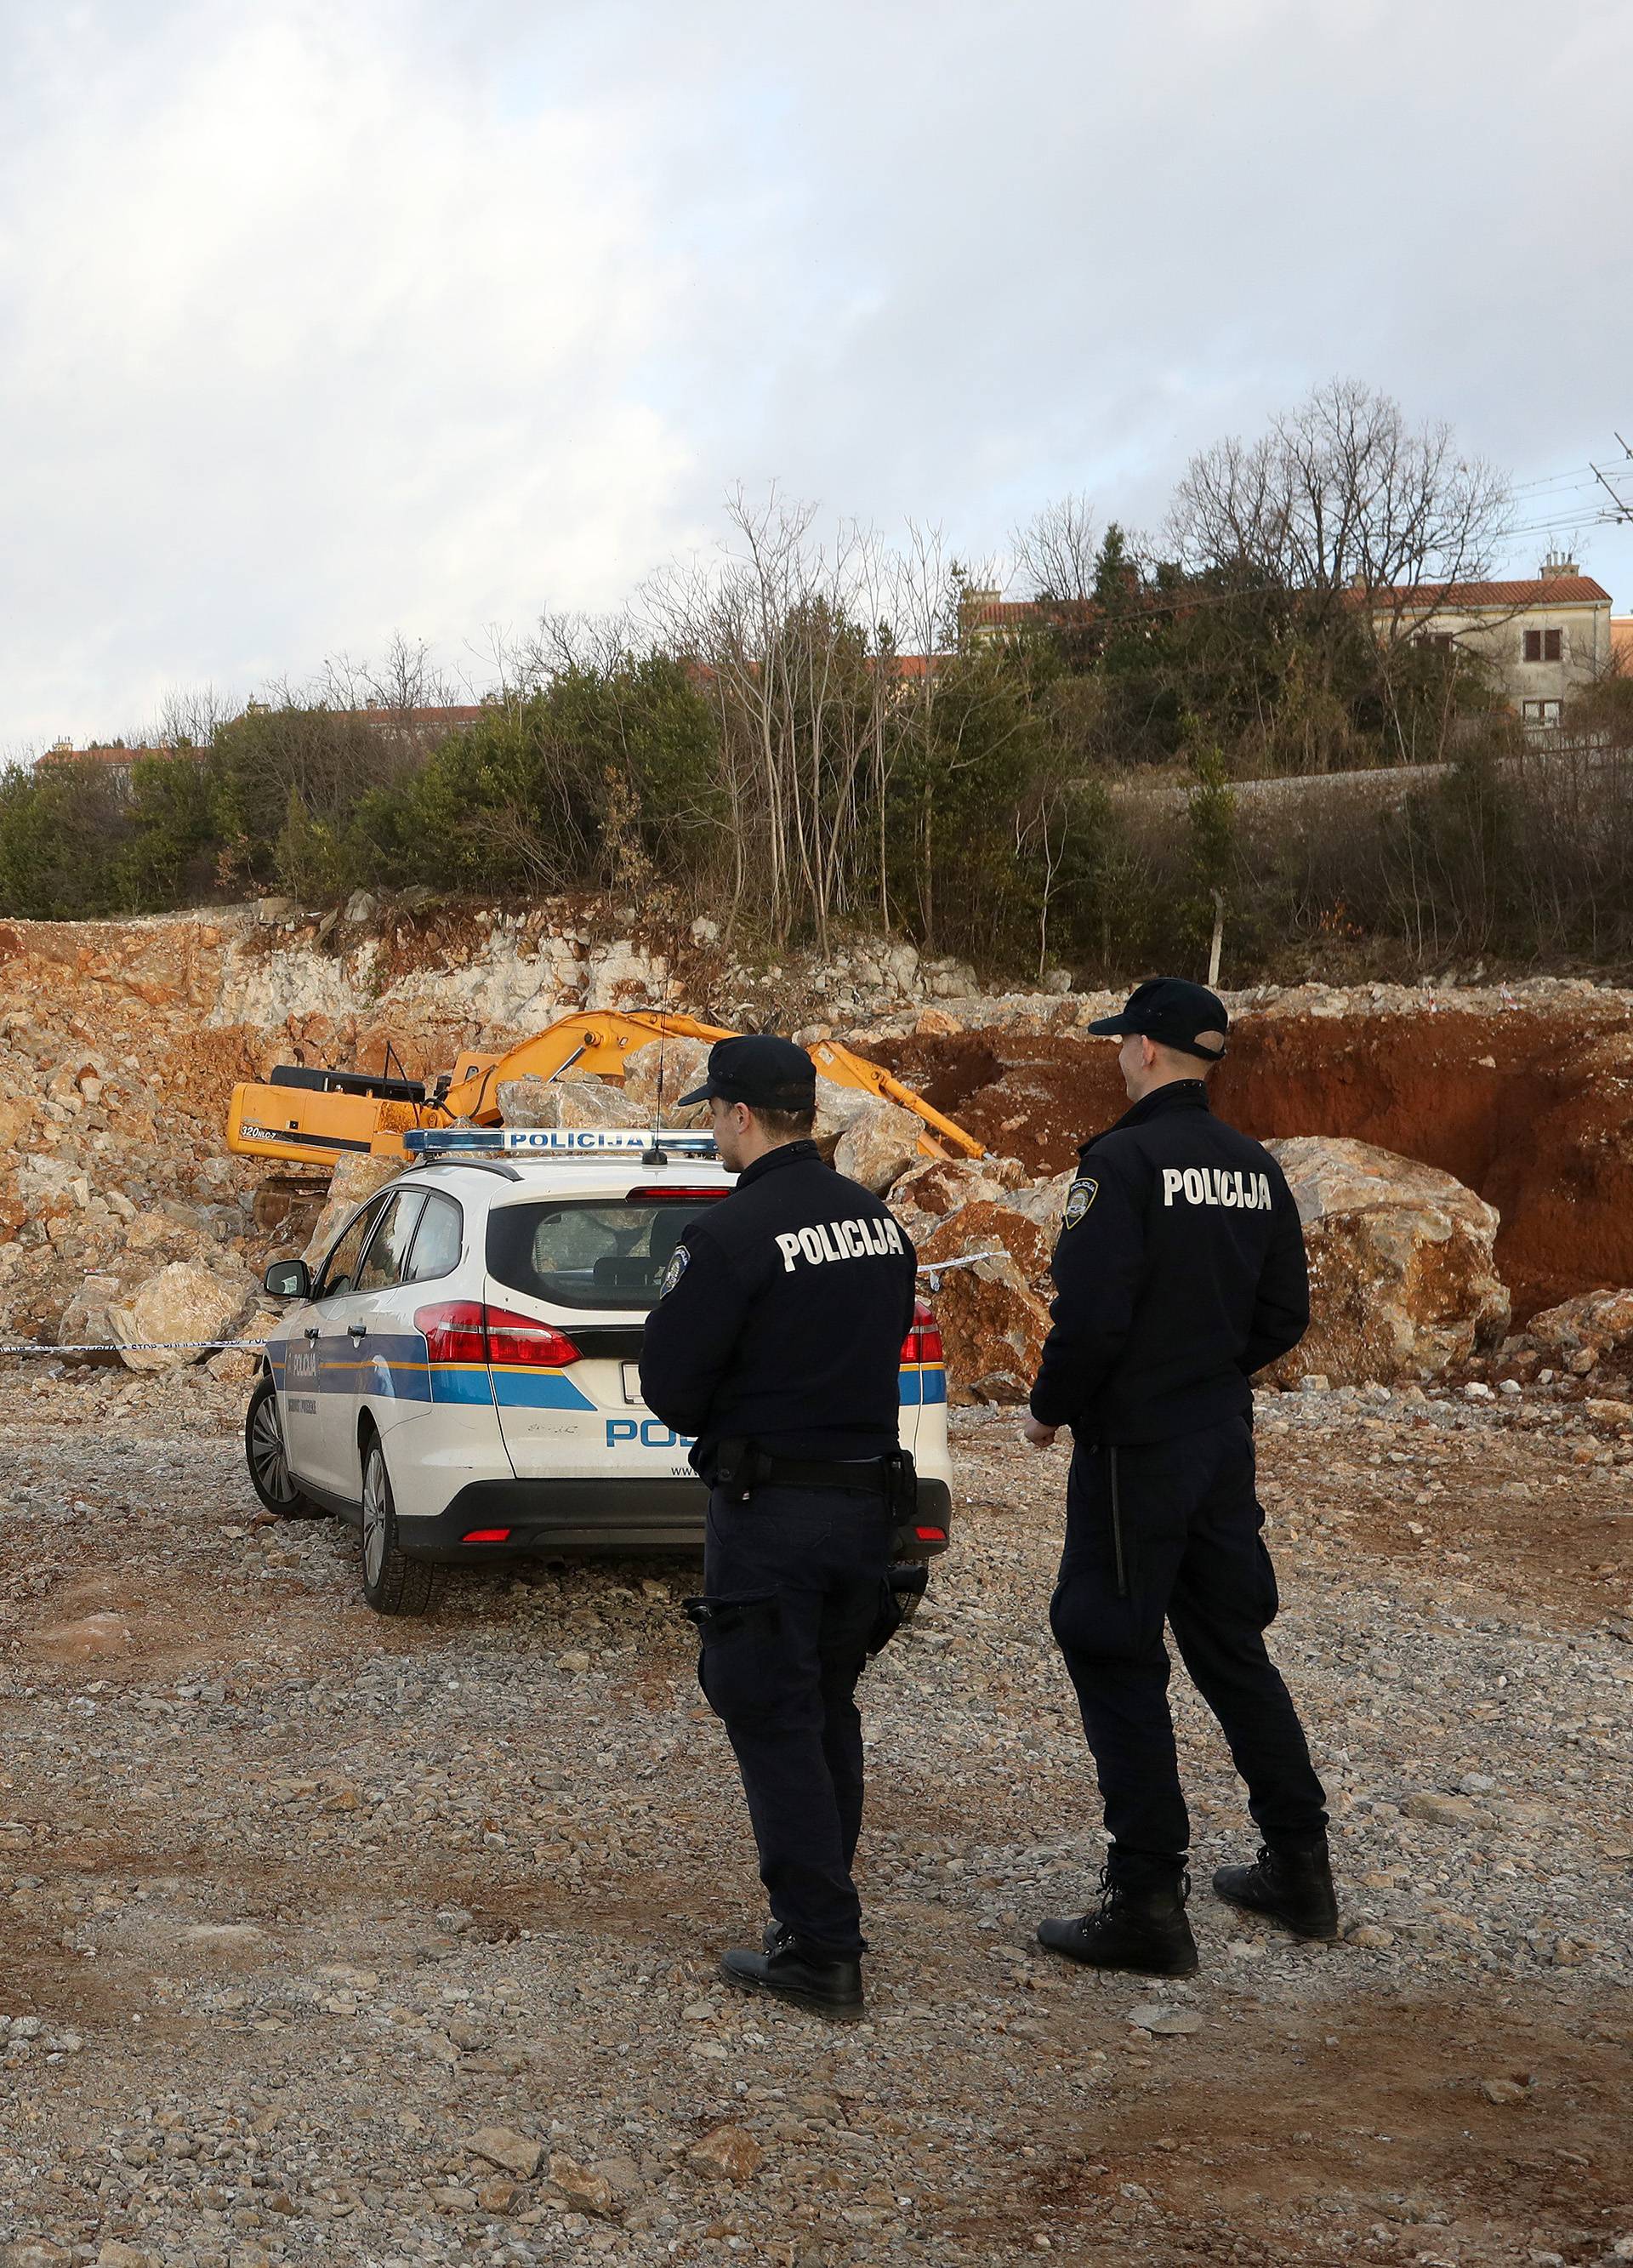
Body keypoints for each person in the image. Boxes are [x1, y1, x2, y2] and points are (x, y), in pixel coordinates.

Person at [1023, 977, 1335, 1978]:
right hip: (1217, 1438)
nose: (1117, 1054)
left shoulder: (1120, 1162)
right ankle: (1301, 1865)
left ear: (1149, 1050)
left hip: (1136, 1449)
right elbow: (1285, 1311)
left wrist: (1051, 1403)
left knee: (1112, 1645)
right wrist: (1205, 1365)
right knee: (1230, 1643)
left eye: (1123, 1042)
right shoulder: (1255, 1166)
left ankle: (1147, 1899)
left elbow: (1092, 1317)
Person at [640, 1034, 918, 2018]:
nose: (711, 1126)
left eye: (713, 1110)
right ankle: (820, 1912)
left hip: (772, 1512)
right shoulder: (876, 1221)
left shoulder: (730, 1232)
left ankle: (819, 1946)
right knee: (828, 1702)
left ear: (742, 1116)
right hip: (866, 1508)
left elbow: (671, 1385)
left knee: (771, 1711)